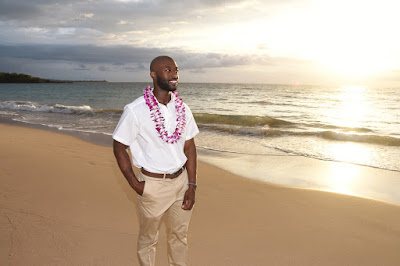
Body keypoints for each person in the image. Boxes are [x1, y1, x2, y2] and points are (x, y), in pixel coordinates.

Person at [112, 55, 199, 266]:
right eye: (168, 70)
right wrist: (135, 184)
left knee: (180, 237)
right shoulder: (136, 110)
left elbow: (190, 147)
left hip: (181, 182)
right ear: (153, 74)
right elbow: (119, 145)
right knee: (148, 239)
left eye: (176, 69)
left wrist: (192, 185)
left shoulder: (182, 109)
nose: (175, 74)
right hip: (153, 185)